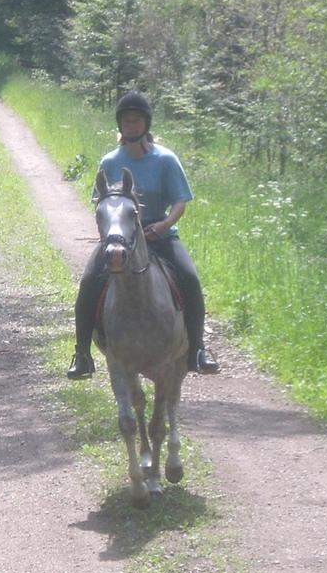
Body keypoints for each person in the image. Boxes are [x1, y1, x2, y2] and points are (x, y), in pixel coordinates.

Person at [67, 91, 220, 379]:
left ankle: (198, 349)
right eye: (126, 121)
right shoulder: (110, 162)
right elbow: (102, 204)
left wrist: (163, 226)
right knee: (88, 282)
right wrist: (113, 233)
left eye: (137, 121)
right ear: (120, 125)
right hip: (120, 237)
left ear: (146, 124)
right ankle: (83, 354)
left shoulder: (165, 160)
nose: (131, 126)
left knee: (189, 278)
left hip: (158, 234)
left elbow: (180, 202)